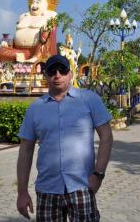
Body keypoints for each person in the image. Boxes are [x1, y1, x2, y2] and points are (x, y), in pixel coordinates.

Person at [16, 55, 114, 221]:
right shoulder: (35, 109)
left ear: (70, 74)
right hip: (47, 189)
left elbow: (106, 137)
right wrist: (22, 192)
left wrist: (98, 175)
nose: (57, 75)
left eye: (62, 70)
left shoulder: (89, 100)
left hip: (82, 186)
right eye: (52, 71)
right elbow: (25, 150)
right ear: (45, 75)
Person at [0, 0, 59, 64]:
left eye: (38, 2)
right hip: (19, 50)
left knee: (46, 32)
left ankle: (36, 57)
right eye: (33, 2)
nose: (34, 5)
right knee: (0, 51)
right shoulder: (23, 16)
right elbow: (16, 35)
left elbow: (51, 32)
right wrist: (8, 43)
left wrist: (46, 29)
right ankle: (20, 56)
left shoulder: (51, 15)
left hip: (38, 50)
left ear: (46, 4)